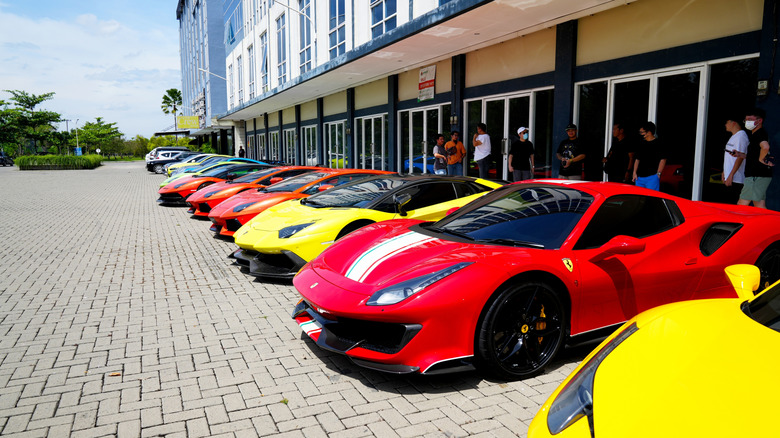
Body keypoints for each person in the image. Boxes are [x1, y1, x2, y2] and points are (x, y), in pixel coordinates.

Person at [737, 108, 774, 208]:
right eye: (746, 120)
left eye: (750, 119)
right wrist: (741, 155)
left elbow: (765, 147)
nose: (747, 122)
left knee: (741, 205)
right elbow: (758, 153)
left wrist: (761, 159)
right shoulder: (757, 134)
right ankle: (770, 223)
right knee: (760, 206)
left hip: (756, 176)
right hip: (759, 175)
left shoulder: (759, 134)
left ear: (759, 120)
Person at [632, 121, 666, 191]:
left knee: (651, 198)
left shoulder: (659, 144)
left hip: (652, 177)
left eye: (642, 132)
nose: (641, 134)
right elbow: (637, 159)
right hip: (639, 177)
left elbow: (663, 159)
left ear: (649, 132)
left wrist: (658, 173)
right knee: (639, 198)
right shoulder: (641, 143)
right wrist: (634, 172)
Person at [722, 115, 748, 203]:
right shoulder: (734, 136)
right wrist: (724, 172)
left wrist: (731, 175)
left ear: (733, 123)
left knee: (733, 205)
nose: (725, 124)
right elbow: (729, 158)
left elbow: (740, 157)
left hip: (736, 179)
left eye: (727, 122)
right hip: (730, 177)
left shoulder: (741, 136)